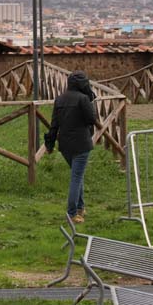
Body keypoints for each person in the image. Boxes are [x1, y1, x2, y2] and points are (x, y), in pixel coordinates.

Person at [44, 70, 98, 223]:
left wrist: (50, 143)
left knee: (77, 175)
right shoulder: (83, 99)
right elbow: (91, 119)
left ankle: (80, 208)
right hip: (81, 143)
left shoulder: (59, 99)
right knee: (76, 177)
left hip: (65, 144)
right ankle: (72, 213)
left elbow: (54, 124)